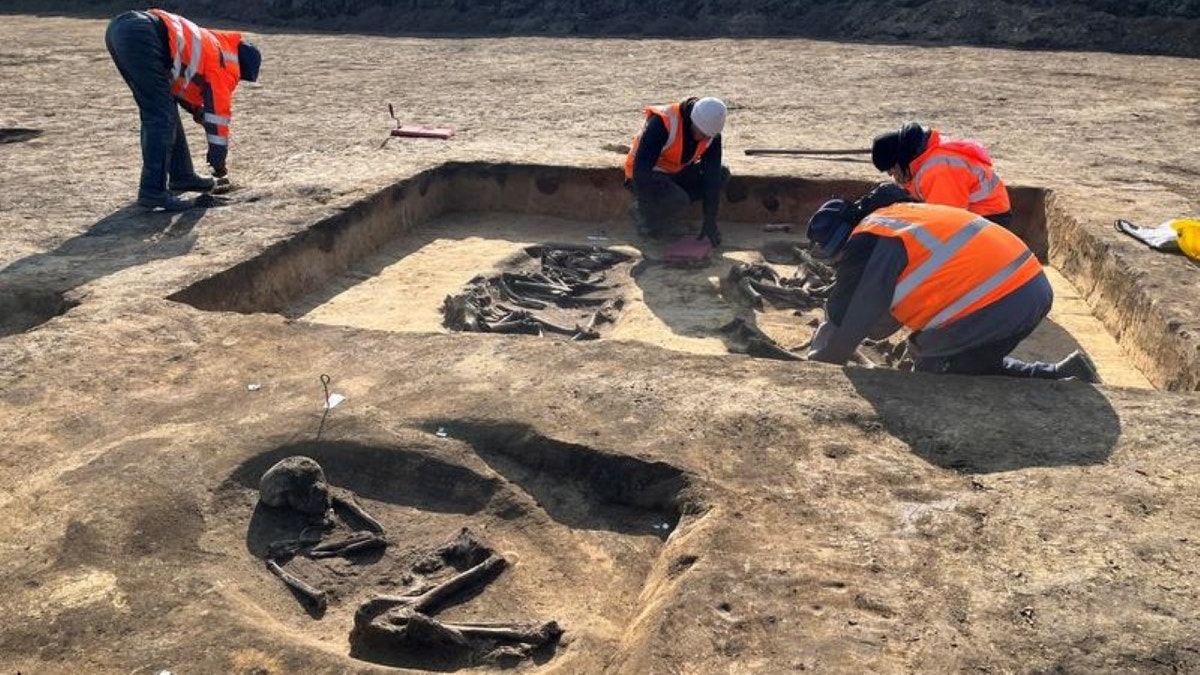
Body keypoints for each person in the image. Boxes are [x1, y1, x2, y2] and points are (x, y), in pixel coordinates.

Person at [803, 182, 1100, 382]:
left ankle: (1054, 378)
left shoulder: (870, 239)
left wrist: (818, 367)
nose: (840, 268)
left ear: (841, 244)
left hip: (1004, 298)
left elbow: (851, 319)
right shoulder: (899, 218)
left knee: (936, 369)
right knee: (949, 355)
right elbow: (883, 321)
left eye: (836, 261)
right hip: (1027, 284)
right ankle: (1066, 372)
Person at [105, 9, 261, 211]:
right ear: (242, 65)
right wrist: (218, 160)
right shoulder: (225, 63)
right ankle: (153, 193)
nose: (237, 79)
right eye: (241, 76)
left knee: (165, 109)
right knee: (161, 116)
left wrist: (198, 111)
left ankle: (182, 176)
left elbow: (181, 89)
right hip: (140, 34)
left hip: (123, 30)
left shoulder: (212, 45)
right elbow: (218, 118)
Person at [624, 97, 729, 246]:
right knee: (678, 199)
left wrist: (710, 221)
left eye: (708, 136)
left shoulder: (710, 133)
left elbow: (712, 177)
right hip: (643, 175)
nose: (703, 139)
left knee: (721, 173)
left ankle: (667, 210)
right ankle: (643, 214)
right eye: (701, 133)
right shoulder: (663, 123)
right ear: (692, 121)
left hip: (674, 172)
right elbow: (641, 170)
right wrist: (647, 210)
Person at [871, 122, 1013, 228]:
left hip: (989, 222)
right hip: (977, 218)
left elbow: (947, 223)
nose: (891, 174)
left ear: (901, 160)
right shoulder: (925, 158)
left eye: (891, 168)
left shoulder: (938, 170)